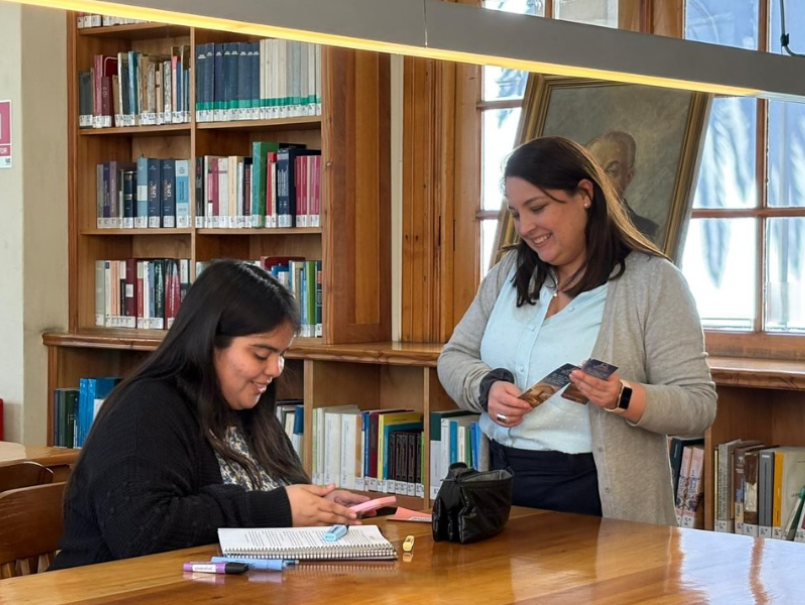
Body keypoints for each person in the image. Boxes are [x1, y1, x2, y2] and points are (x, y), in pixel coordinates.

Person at [437, 136, 716, 526]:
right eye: (517, 213)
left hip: (596, 497)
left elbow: (698, 407)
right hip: (499, 491)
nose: (526, 227)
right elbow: (453, 357)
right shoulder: (506, 273)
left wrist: (622, 396)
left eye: (538, 208)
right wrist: (485, 388)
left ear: (585, 194)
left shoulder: (653, 283)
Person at [50, 260, 368, 570]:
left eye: (282, 354)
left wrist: (320, 508)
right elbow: (141, 533)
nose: (275, 370)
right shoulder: (145, 409)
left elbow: (278, 498)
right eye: (261, 354)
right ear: (208, 343)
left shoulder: (250, 409)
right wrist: (276, 509)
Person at [586, 130, 659, 240]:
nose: (600, 179)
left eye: (612, 170)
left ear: (628, 177)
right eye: (593, 170)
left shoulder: (644, 230)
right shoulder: (569, 222)